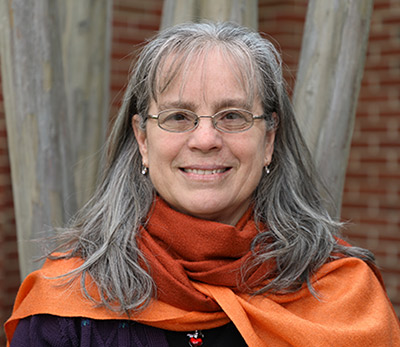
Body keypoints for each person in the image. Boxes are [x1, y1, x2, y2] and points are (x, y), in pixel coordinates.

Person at [5, 22, 400, 347]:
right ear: (143, 140)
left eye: (233, 116)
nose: (206, 139)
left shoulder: (343, 292)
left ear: (269, 140)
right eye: (178, 116)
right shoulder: (67, 304)